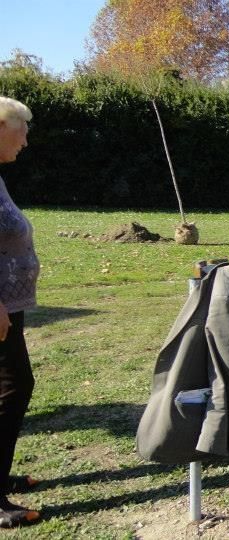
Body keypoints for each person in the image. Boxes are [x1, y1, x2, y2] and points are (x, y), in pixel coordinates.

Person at [0, 96, 41, 528]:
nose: (26, 140)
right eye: (22, 128)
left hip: (9, 303)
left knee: (9, 388)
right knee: (13, 388)